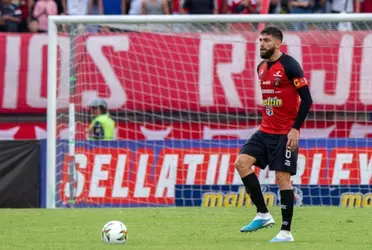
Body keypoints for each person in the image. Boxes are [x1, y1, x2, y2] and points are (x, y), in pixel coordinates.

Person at [235, 26, 313, 242]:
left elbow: (307, 100)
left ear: (278, 43)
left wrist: (295, 129)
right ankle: (263, 214)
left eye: (267, 40)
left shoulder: (290, 65)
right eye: (260, 40)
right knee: (241, 163)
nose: (262, 44)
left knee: (282, 178)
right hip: (265, 130)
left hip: (285, 133)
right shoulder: (261, 67)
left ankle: (286, 232)